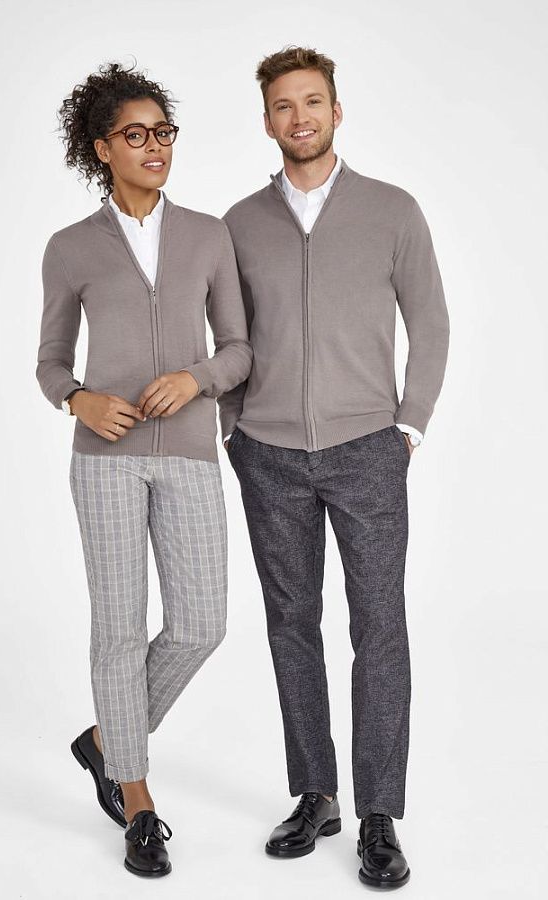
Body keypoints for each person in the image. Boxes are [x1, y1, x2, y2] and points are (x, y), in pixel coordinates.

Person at [220, 46, 449, 889]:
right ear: (267, 120)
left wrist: (407, 426)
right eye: (284, 105)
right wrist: (234, 429)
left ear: (336, 111)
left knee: (379, 628)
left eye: (312, 101)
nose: (300, 117)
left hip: (367, 452)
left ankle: (379, 813)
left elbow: (432, 322)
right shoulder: (238, 224)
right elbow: (229, 339)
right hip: (268, 453)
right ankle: (316, 794)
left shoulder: (392, 211)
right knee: (291, 625)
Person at [36, 60, 252, 878]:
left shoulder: (207, 234)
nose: (156, 146)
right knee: (120, 630)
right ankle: (137, 800)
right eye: (137, 134)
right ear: (102, 148)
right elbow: (50, 360)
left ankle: (104, 740)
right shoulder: (71, 248)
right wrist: (79, 399)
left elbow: (239, 348)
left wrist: (197, 378)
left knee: (201, 624)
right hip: (106, 462)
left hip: (190, 451)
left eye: (164, 132)